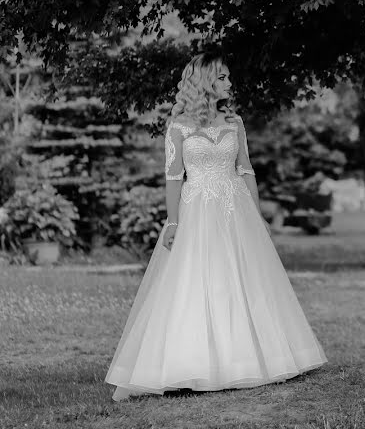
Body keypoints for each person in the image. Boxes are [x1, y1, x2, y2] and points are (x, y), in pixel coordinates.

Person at [106, 53, 327, 401]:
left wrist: (256, 215)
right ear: (206, 80)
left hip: (235, 208)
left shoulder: (234, 121)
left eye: (228, 77)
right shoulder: (177, 127)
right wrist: (174, 222)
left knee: (244, 280)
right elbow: (173, 177)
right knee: (194, 281)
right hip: (196, 210)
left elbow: (247, 169)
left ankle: (252, 359)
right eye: (222, 78)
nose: (229, 83)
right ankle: (188, 364)